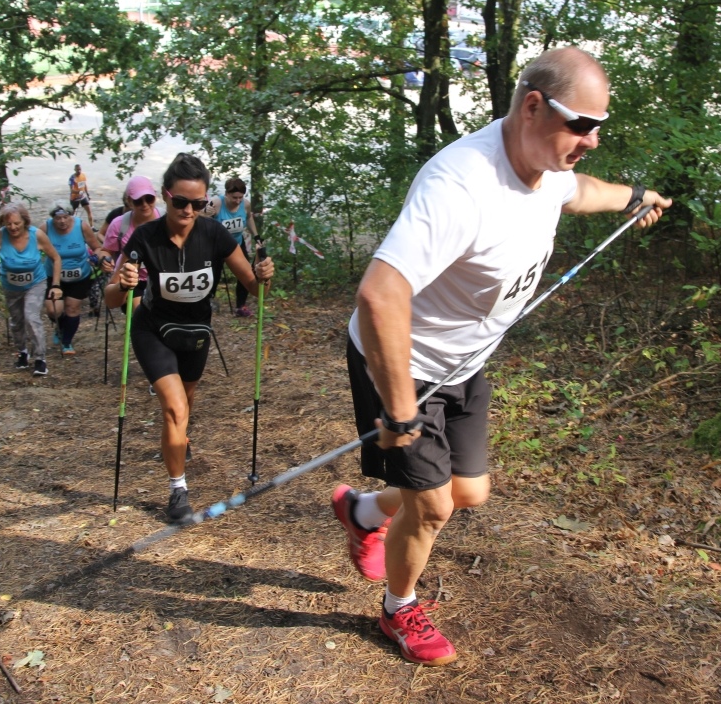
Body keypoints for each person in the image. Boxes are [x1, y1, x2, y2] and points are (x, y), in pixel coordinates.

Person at [331, 47, 671, 666]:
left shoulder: (546, 161)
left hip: (465, 360)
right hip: (403, 362)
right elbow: (381, 295)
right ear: (533, 107)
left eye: (600, 127)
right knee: (432, 506)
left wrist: (634, 196)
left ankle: (362, 510)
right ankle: (397, 608)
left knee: (469, 491)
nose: (592, 140)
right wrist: (401, 410)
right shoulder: (461, 186)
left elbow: (579, 192)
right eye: (582, 125)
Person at [106, 153, 274, 524]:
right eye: (180, 201)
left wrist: (264, 277)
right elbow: (111, 297)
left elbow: (254, 288)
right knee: (174, 407)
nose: (188, 210)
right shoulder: (145, 237)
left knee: (187, 404)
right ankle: (177, 490)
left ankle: (179, 441)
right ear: (166, 196)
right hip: (154, 330)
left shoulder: (213, 233)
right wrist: (123, 284)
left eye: (197, 203)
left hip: (196, 333)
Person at [0, 203, 63, 377]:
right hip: (11, 287)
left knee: (31, 317)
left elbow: (55, 257)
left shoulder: (36, 235)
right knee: (17, 322)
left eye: (17, 223)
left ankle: (40, 358)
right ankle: (23, 351)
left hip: (35, 283)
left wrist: (55, 285)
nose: (13, 227)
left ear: (24, 221)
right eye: (9, 224)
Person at [43, 200, 102, 356]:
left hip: (79, 275)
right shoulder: (46, 228)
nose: (62, 221)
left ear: (71, 215)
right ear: (52, 218)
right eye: (58, 218)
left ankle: (66, 342)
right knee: (53, 310)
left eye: (65, 217)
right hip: (53, 276)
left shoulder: (81, 226)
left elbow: (96, 247)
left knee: (73, 308)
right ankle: (60, 327)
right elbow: (32, 245)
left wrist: (96, 257)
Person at [98, 176, 163, 309]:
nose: (145, 204)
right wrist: (105, 259)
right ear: (129, 201)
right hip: (133, 280)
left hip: (161, 277)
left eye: (149, 199)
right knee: (138, 309)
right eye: (138, 201)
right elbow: (106, 250)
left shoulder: (165, 219)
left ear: (155, 197)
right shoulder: (119, 224)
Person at [205, 176, 260, 317]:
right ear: (227, 194)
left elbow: (248, 218)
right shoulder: (216, 203)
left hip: (236, 244)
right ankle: (208, 302)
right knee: (213, 276)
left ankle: (241, 306)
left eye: (240, 197)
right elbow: (198, 218)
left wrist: (256, 236)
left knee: (246, 273)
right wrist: (205, 214)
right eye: (234, 197)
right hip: (216, 246)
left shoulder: (245, 204)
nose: (238, 201)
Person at [68, 163, 94, 228]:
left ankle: (92, 227)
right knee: (72, 214)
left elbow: (84, 185)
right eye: (77, 170)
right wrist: (79, 192)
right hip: (75, 198)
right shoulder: (72, 178)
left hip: (82, 197)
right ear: (74, 170)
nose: (79, 171)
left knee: (89, 211)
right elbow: (71, 190)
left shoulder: (83, 175)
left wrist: (87, 194)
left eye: (80, 169)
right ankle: (70, 227)